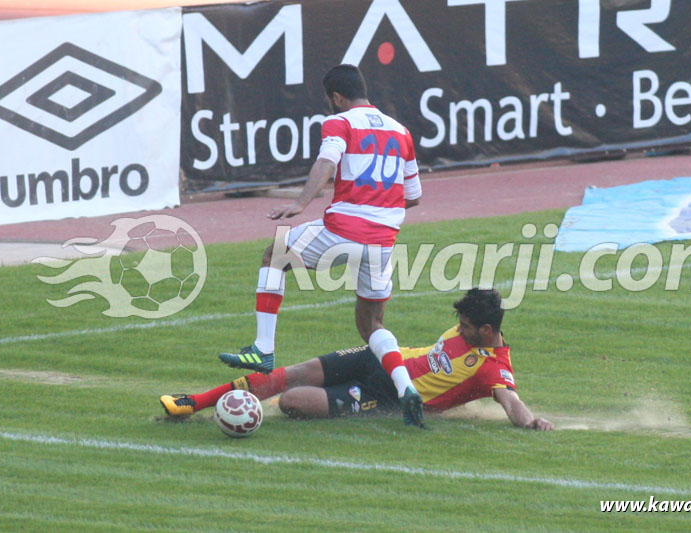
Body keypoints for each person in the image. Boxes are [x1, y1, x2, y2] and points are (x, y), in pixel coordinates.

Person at [218, 64, 424, 426]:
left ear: (337, 97)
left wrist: (301, 202)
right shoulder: (401, 131)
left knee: (275, 254)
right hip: (382, 242)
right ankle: (406, 387)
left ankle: (263, 349)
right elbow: (413, 197)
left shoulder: (340, 122)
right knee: (372, 324)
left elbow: (326, 161)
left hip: (342, 229)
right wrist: (379, 204)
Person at [162, 289, 553, 431]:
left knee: (291, 401)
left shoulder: (493, 367)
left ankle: (242, 409)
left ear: (486, 330)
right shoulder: (469, 331)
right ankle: (193, 402)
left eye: (466, 325)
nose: (460, 328)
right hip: (381, 358)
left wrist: (532, 421)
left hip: (382, 394)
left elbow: (511, 402)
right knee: (294, 373)